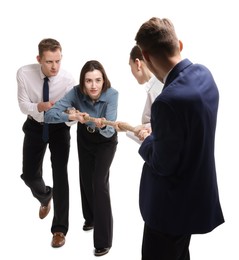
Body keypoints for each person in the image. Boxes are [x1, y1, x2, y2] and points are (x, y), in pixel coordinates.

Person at [133, 17, 225, 260]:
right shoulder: (205, 75)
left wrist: (147, 140)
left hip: (168, 207)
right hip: (193, 197)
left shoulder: (166, 101)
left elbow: (163, 163)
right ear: (179, 44)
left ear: (146, 57)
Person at [44, 60, 118, 257]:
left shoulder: (112, 95)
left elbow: (110, 130)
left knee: (99, 182)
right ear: (83, 82)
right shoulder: (76, 93)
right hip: (85, 137)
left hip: (105, 141)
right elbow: (50, 114)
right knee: (85, 178)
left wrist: (102, 125)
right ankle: (91, 218)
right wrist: (71, 117)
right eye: (89, 81)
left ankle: (104, 240)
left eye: (98, 80)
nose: (94, 85)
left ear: (104, 80)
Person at [17, 38, 76, 248]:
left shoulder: (68, 79)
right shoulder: (24, 73)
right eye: (49, 62)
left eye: (58, 61)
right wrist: (39, 107)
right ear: (39, 59)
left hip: (59, 128)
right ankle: (44, 196)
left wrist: (71, 115)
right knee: (29, 175)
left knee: (61, 176)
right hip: (35, 125)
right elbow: (24, 106)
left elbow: (70, 111)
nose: (54, 67)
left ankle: (60, 229)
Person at [126, 45, 163, 143]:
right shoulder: (158, 85)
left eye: (130, 65)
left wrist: (133, 130)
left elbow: (159, 130)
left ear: (138, 63)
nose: (131, 71)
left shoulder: (156, 90)